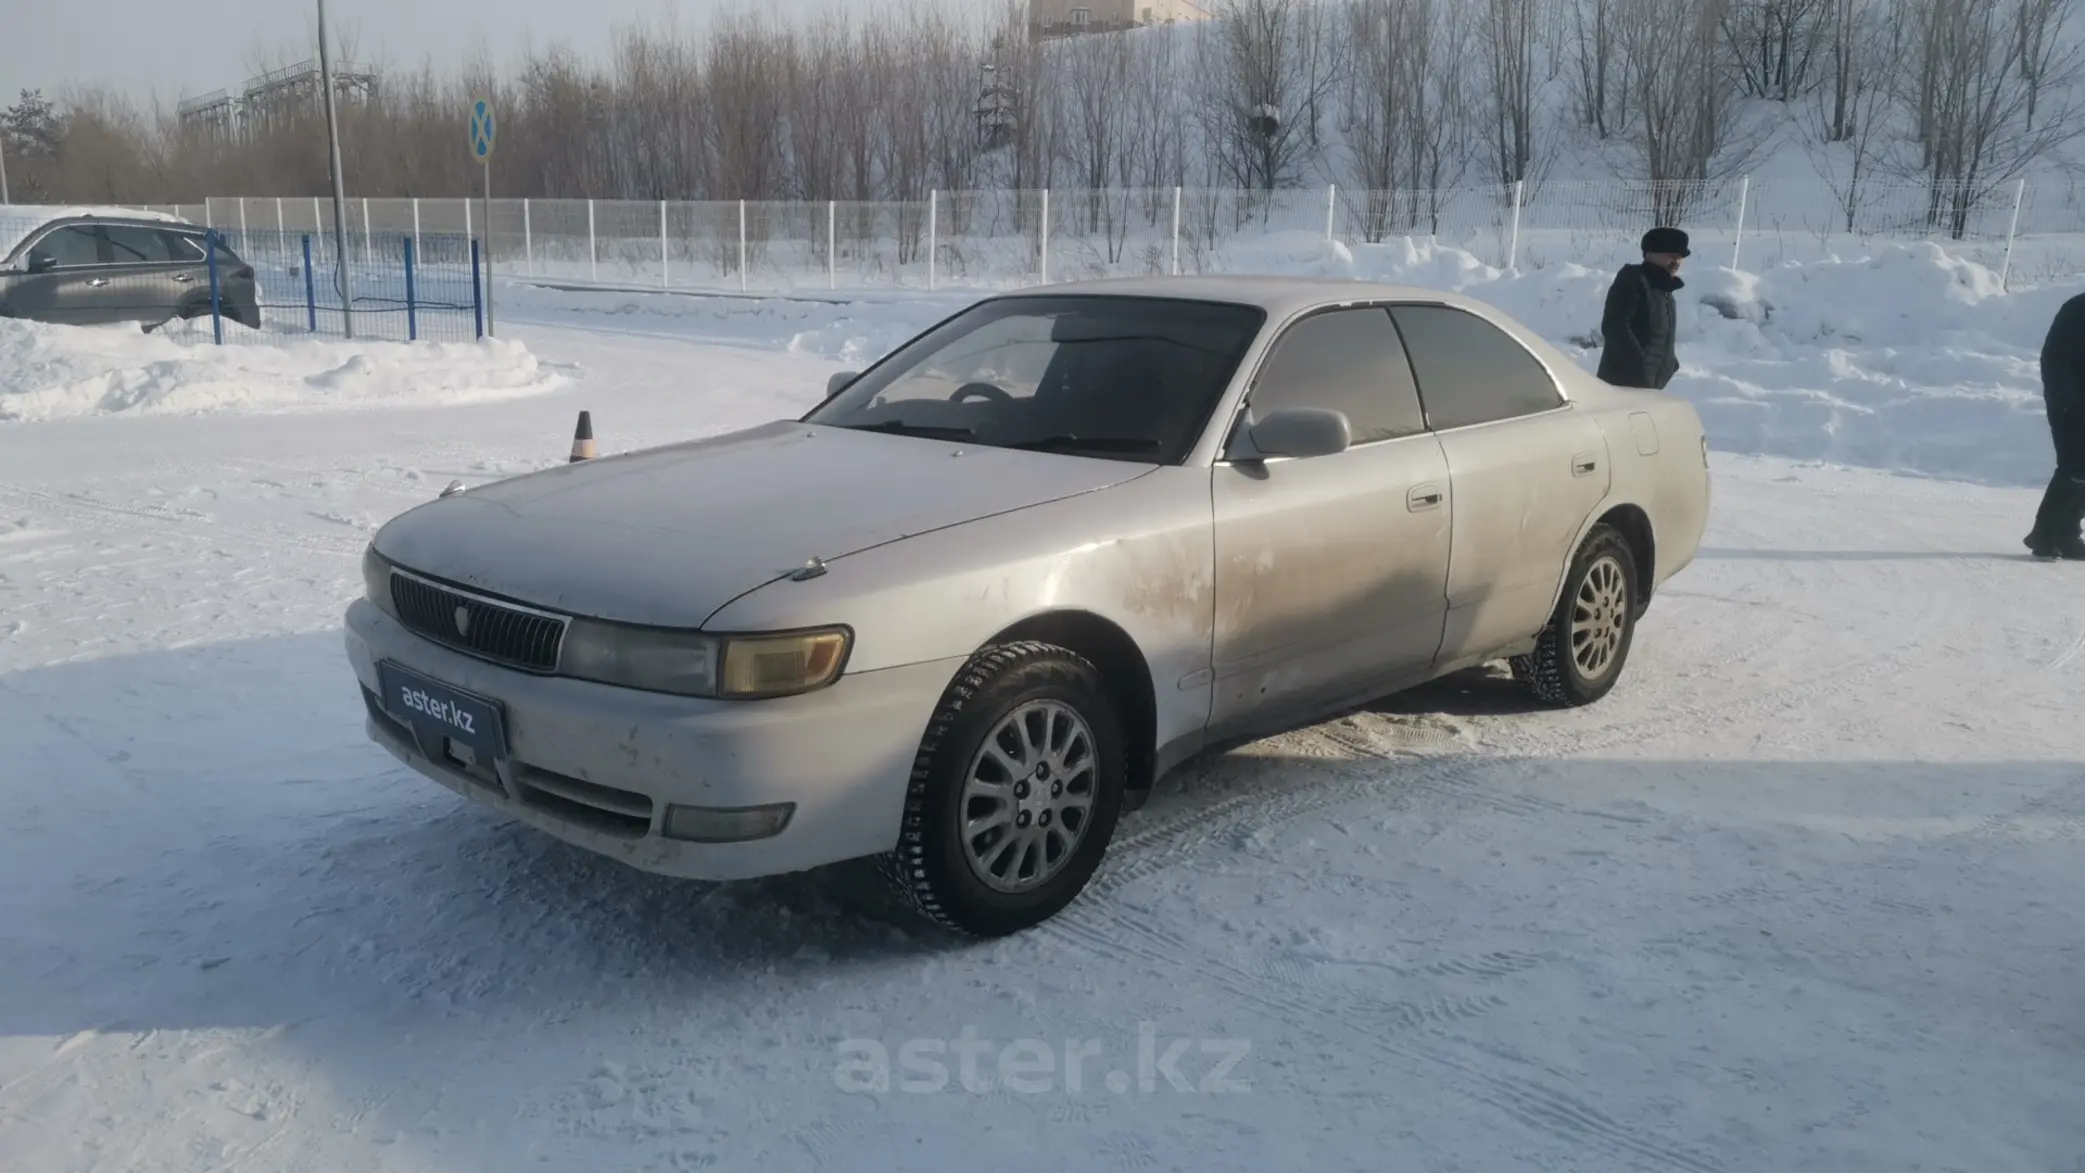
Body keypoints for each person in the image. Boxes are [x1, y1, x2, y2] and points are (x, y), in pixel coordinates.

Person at [2027, 291, 2085, 560]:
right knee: (2074, 467)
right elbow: (2053, 357)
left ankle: (2065, 531)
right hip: (2070, 403)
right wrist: (2067, 400)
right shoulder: (2077, 309)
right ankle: (2045, 533)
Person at [1597, 227, 1689, 391]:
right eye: (1671, 255)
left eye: (1680, 257)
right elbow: (1615, 327)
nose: (1677, 261)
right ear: (1650, 254)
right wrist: (1640, 365)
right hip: (1623, 385)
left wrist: (1669, 364)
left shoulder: (1665, 291)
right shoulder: (1633, 281)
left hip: (1650, 385)